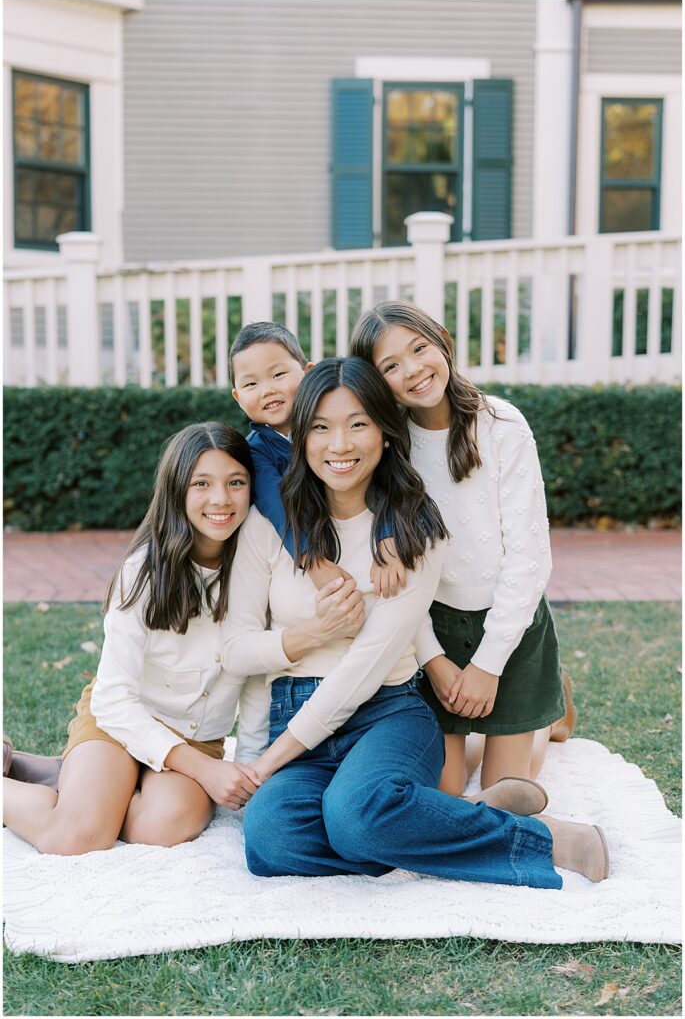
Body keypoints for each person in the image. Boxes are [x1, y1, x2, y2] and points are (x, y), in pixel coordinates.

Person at [223, 357, 609, 887]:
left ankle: (547, 839)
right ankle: (454, 817)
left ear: (385, 432)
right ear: (300, 435)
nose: (339, 445)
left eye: (357, 424)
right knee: (271, 839)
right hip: (293, 711)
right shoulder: (271, 525)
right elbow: (235, 648)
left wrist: (266, 765)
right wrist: (307, 636)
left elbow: (363, 670)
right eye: (320, 427)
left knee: (356, 817)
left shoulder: (412, 534)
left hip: (385, 712)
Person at [3, 423, 269, 856]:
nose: (221, 499)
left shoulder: (261, 569)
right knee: (77, 837)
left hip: (196, 734)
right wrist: (202, 769)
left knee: (165, 825)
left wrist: (246, 765)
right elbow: (113, 701)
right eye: (201, 483)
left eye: (236, 483)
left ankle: (70, 780)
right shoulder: (143, 572)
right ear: (176, 490)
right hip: (120, 723)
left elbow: (258, 675)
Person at [349, 301, 577, 797]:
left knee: (506, 792)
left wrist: (488, 665)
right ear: (375, 381)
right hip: (431, 627)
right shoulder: (388, 446)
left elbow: (529, 557)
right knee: (446, 790)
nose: (412, 370)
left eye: (419, 348)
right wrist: (433, 659)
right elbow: (400, 575)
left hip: (510, 628)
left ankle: (544, 720)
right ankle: (500, 727)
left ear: (443, 341)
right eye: (390, 366)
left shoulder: (502, 425)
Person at [230, 321, 406, 598]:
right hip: (298, 554)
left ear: (307, 373)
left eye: (277, 374)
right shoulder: (256, 451)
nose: (267, 390)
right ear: (238, 398)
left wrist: (387, 535)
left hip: (360, 531)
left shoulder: (334, 427)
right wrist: (310, 560)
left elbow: (384, 477)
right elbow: (275, 503)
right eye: (251, 383)